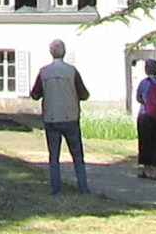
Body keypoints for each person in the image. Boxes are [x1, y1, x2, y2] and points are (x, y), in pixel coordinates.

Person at [28, 38, 90, 195]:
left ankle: (56, 189)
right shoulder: (72, 71)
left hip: (52, 117)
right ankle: (83, 187)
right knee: (77, 154)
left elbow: (35, 94)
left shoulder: (44, 72)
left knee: (54, 156)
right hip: (70, 116)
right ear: (65, 52)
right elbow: (84, 94)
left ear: (51, 52)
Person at [135, 58, 156, 180]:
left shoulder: (144, 83)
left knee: (144, 142)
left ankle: (143, 169)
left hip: (145, 115)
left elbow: (138, 97)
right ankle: (154, 171)